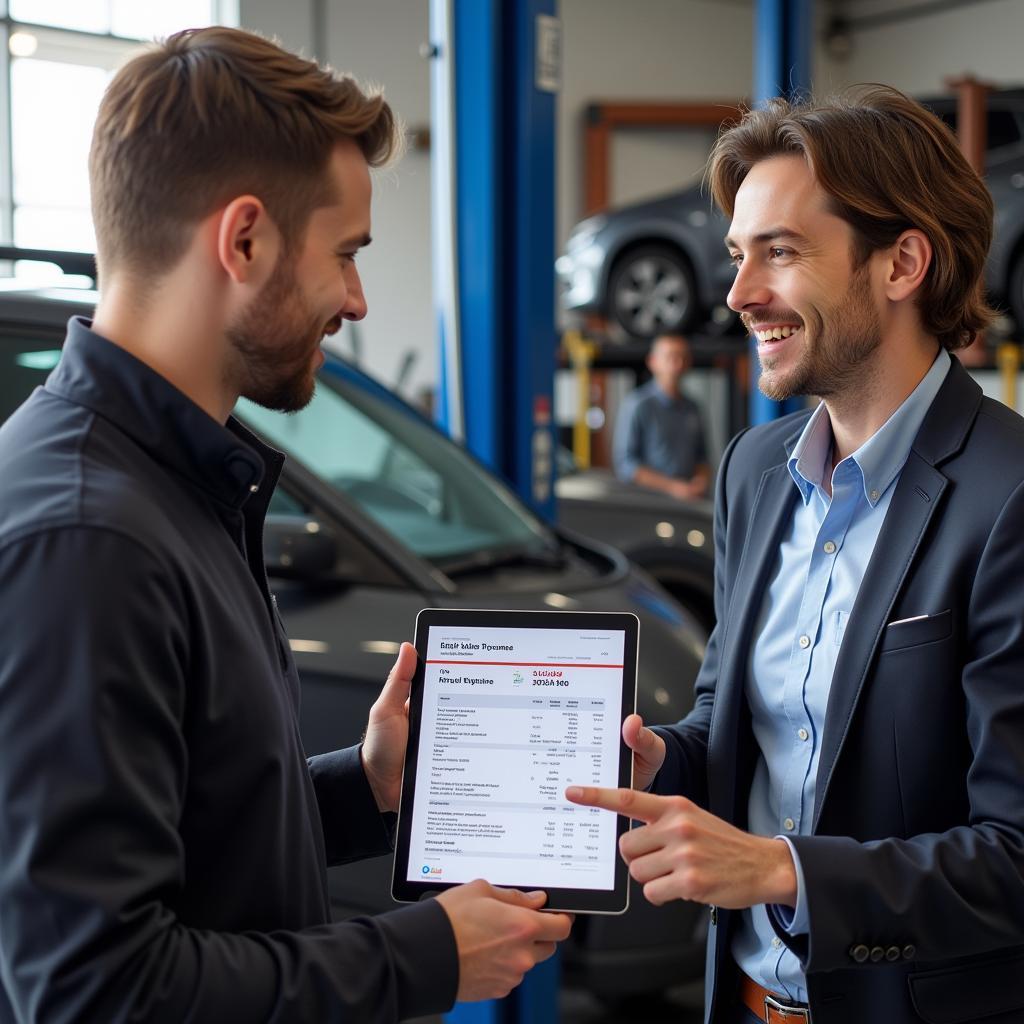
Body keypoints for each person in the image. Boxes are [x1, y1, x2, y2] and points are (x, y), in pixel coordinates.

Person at [0, 27, 571, 1023]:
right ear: (245, 238)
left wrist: (367, 786)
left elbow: (193, 838)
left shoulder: (168, 483)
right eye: (345, 254)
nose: (354, 299)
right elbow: (97, 990)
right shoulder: (91, 539)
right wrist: (423, 955)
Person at [568, 86, 1024, 1024]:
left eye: (779, 252)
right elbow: (735, 724)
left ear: (903, 262)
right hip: (742, 1000)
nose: (737, 295)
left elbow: (1015, 853)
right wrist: (664, 765)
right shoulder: (755, 471)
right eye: (738, 256)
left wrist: (779, 870)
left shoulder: (1008, 496)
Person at [612, 332, 711, 499]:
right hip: (651, 504)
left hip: (689, 502)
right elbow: (626, 465)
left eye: (683, 357)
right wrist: (673, 488)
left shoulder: (692, 408)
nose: (677, 363)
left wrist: (701, 481)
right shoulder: (637, 404)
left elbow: (702, 457)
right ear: (653, 362)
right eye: (670, 357)